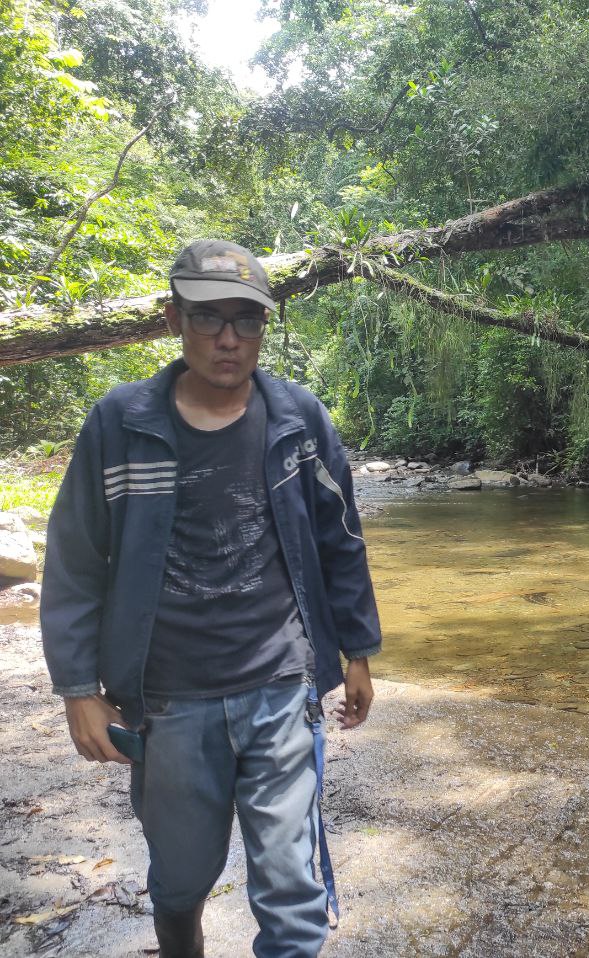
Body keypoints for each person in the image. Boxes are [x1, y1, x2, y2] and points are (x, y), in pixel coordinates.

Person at [40, 239, 381, 957]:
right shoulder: (120, 424)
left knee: (293, 895)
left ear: (264, 328)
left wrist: (359, 652)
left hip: (281, 690)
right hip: (166, 701)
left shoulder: (299, 420)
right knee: (180, 881)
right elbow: (74, 559)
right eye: (208, 317)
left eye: (247, 320)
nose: (229, 338)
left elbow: (340, 540)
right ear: (173, 319)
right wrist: (77, 688)